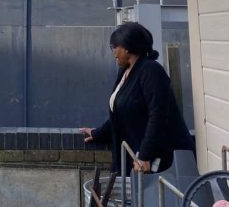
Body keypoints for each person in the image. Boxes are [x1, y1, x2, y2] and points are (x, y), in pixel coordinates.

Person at [80, 23, 194, 175]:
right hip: (136, 155)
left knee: (155, 196)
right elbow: (120, 112)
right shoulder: (125, 71)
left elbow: (158, 115)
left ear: (127, 48)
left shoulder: (151, 71)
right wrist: (97, 133)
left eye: (115, 47)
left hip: (158, 159)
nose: (113, 52)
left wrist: (145, 155)